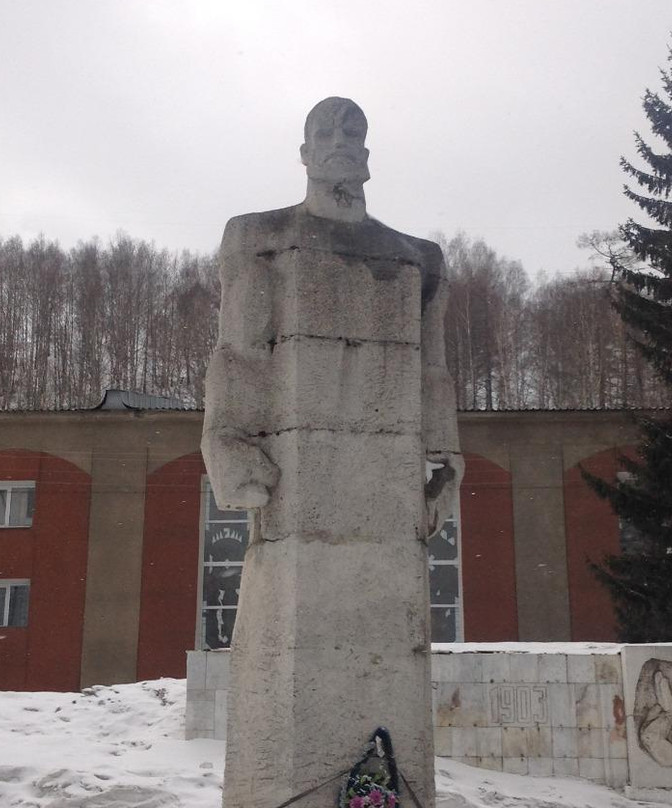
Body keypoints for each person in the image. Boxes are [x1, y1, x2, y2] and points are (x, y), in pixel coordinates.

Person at [202, 97, 461, 808]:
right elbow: (239, 353)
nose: (342, 141)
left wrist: (446, 461)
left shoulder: (416, 258)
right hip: (296, 494)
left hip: (387, 499)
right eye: (327, 131)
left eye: (355, 132)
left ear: (369, 154)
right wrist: (224, 440)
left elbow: (434, 371)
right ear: (306, 152)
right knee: (284, 658)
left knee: (390, 648)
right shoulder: (261, 238)